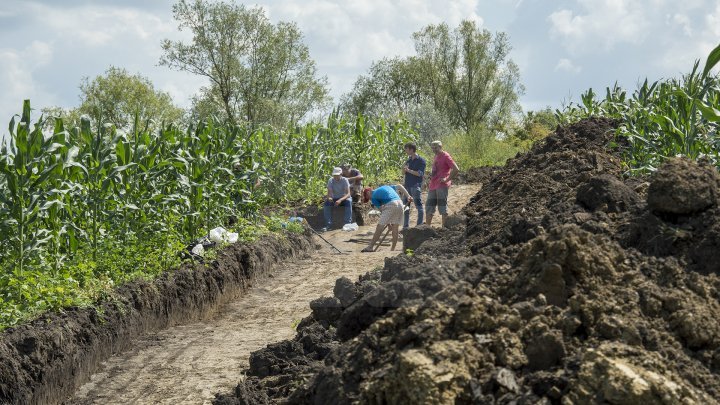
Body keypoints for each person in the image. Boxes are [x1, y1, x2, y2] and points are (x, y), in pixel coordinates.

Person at [362, 184, 412, 252]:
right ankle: (392, 250)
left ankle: (370, 247)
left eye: (368, 198)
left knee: (380, 226)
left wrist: (388, 224)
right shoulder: (386, 187)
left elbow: (382, 211)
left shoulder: (373, 197)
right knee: (395, 228)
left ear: (368, 192)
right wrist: (408, 196)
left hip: (391, 204)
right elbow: (400, 186)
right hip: (400, 204)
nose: (370, 200)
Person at [426, 140, 459, 228]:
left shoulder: (446, 156)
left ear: (441, 147)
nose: (434, 149)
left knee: (442, 208)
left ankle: (444, 230)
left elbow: (456, 169)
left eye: (435, 148)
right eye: (432, 148)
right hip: (433, 185)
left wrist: (447, 179)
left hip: (441, 185)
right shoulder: (436, 156)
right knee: (429, 207)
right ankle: (426, 230)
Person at [402, 142, 426, 229]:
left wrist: (408, 170)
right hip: (407, 186)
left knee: (418, 206)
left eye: (407, 150)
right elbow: (403, 172)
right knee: (405, 207)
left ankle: (419, 227)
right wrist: (404, 170)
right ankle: (405, 227)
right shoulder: (408, 160)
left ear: (412, 150)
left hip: (415, 186)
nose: (406, 151)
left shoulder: (421, 160)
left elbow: (420, 174)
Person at [322, 167, 352, 231]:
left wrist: (340, 200)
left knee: (349, 202)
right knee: (327, 203)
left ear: (341, 174)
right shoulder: (331, 180)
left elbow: (348, 194)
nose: (336, 177)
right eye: (335, 175)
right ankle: (328, 225)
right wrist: (329, 198)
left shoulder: (345, 180)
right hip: (334, 198)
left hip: (344, 198)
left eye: (337, 175)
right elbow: (329, 194)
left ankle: (347, 224)